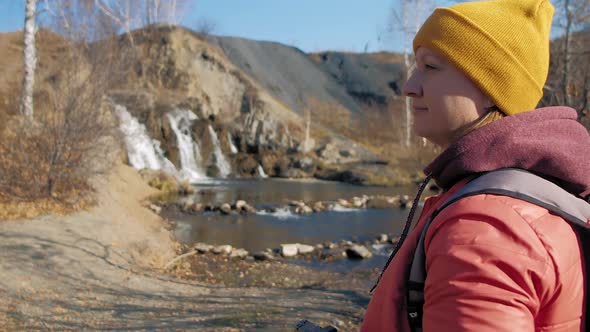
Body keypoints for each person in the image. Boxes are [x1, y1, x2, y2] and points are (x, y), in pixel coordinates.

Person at [362, 0, 590, 331]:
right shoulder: (536, 192)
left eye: (431, 66)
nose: (409, 87)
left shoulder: (486, 228)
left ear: (488, 89)